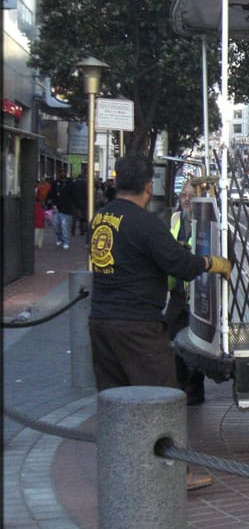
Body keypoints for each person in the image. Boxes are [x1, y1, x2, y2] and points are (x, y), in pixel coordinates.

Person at [88, 155, 232, 491]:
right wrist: (214, 263)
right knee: (162, 398)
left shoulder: (101, 218)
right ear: (149, 187)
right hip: (137, 326)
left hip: (101, 321)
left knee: (114, 398)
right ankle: (173, 476)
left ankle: (122, 467)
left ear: (116, 181)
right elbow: (179, 264)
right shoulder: (144, 222)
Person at [164, 180, 205, 405]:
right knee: (172, 339)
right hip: (178, 293)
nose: (186, 199)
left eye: (191, 195)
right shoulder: (175, 219)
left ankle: (194, 391)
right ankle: (180, 386)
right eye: (183, 195)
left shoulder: (209, 222)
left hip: (199, 295)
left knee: (195, 344)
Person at [51, 171, 75, 249]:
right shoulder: (56, 184)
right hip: (57, 208)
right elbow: (52, 194)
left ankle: (65, 241)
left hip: (66, 209)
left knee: (64, 226)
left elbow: (72, 195)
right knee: (56, 225)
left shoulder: (70, 184)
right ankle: (60, 238)